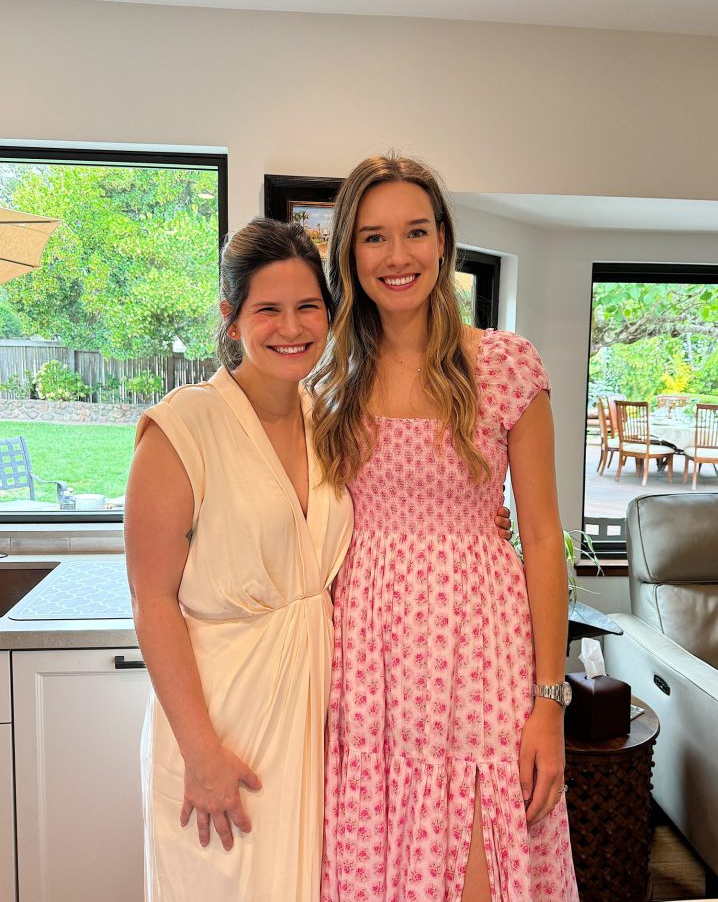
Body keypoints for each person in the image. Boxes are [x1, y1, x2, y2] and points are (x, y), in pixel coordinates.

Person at [312, 155, 579, 902]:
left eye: (415, 233)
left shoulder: (503, 367)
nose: (397, 256)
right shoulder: (328, 379)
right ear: (349, 255)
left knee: (479, 868)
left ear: (443, 244)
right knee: (373, 859)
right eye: (373, 238)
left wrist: (549, 704)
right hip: (363, 662)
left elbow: (545, 538)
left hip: (478, 651)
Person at [124, 218, 355, 902]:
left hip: (309, 722)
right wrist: (201, 754)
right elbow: (151, 600)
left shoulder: (329, 422)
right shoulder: (183, 428)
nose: (292, 327)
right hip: (220, 726)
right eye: (268, 310)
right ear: (231, 319)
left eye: (308, 306)